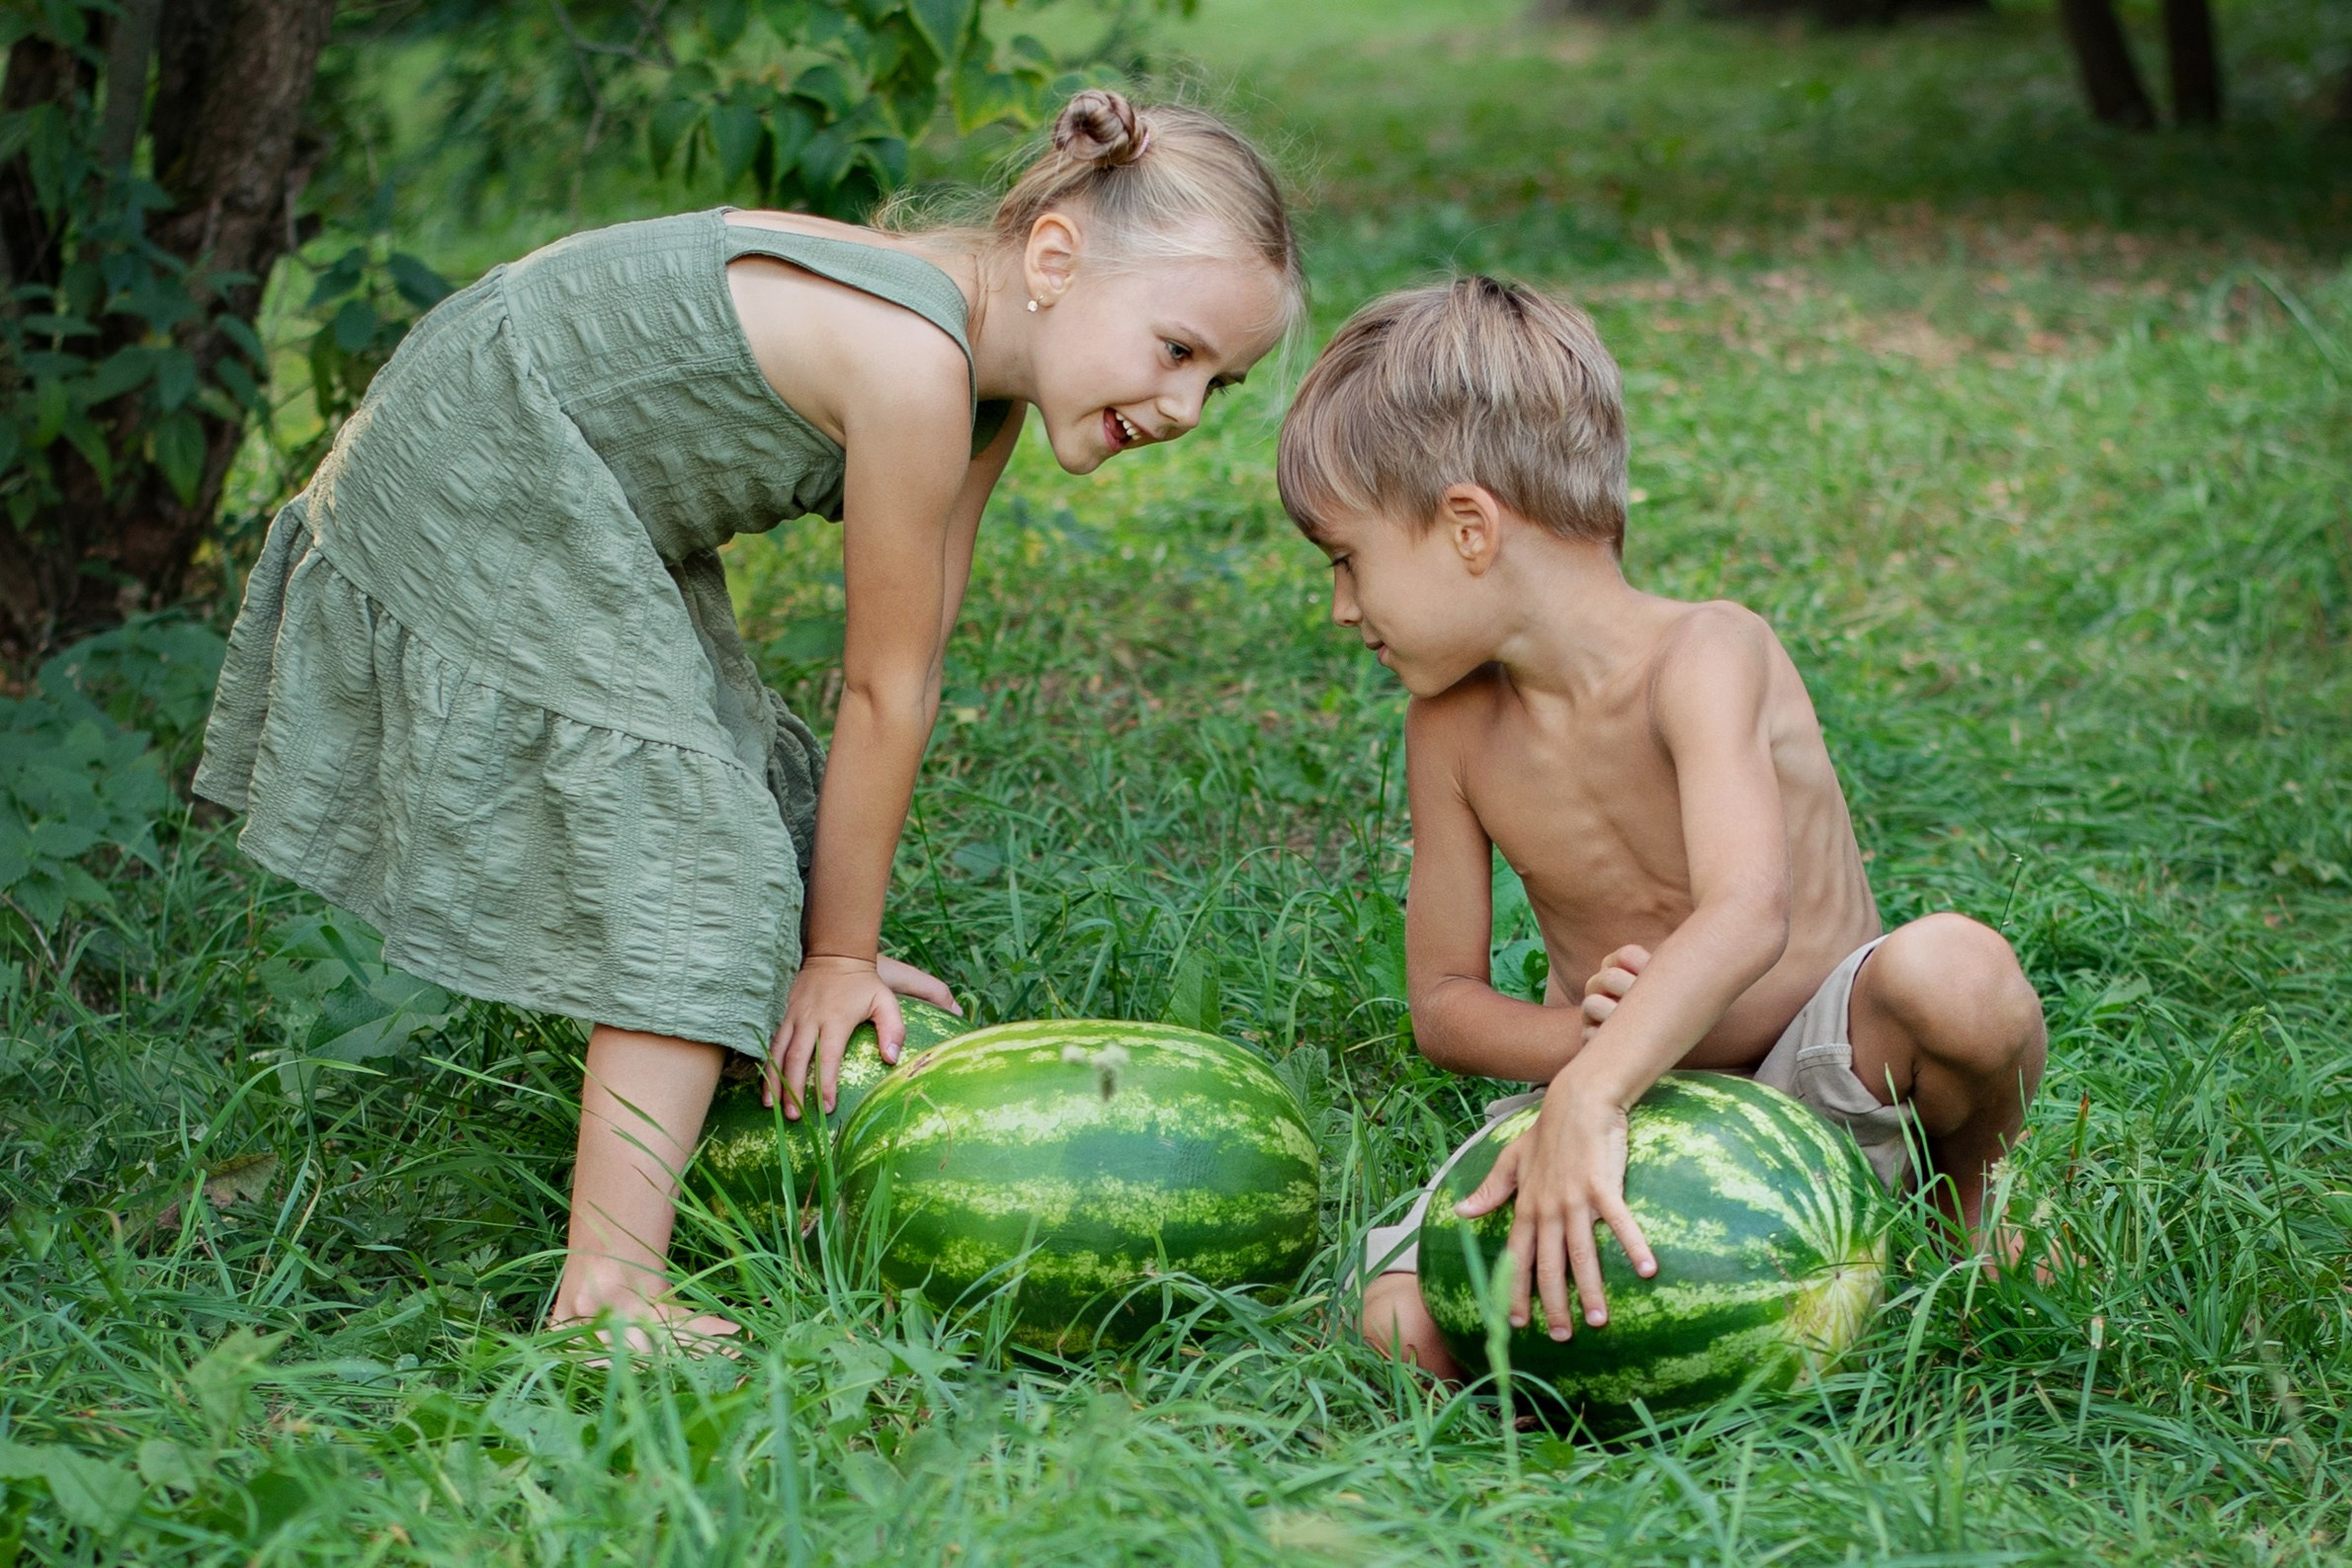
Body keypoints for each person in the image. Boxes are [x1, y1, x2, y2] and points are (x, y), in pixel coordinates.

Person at [196, 90, 1301, 1341]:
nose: (1186, 408)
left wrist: (832, 938)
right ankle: (608, 1294)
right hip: (487, 458)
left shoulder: (989, 374)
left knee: (738, 794)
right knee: (691, 850)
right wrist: (832, 958)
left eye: (1223, 378)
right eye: (1176, 349)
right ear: (1054, 258)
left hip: (575, 475)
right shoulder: (911, 362)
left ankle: (705, 1054)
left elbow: (914, 662)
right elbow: (880, 689)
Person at [1274, 278, 2046, 1377]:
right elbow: (1443, 1006)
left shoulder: (1706, 654)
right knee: (1398, 1328)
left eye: (1346, 560)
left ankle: (1959, 1217)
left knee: (1955, 972)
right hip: (1612, 1104)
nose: (1342, 608)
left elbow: (1746, 916)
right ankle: (1631, 1363)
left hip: (1814, 1083)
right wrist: (1583, 1065)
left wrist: (1591, 1091)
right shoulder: (1447, 729)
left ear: (1468, 528)